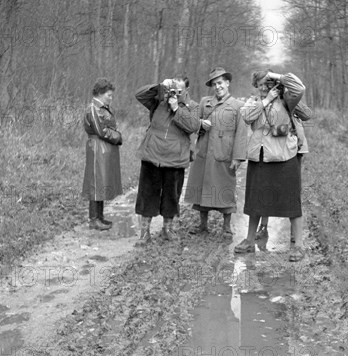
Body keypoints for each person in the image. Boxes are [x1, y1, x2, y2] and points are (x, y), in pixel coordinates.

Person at [234, 70, 307, 261]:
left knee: (291, 202)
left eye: (268, 84)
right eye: (260, 85)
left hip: (284, 157)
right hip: (260, 158)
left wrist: (277, 76)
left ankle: (298, 246)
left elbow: (300, 88)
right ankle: (249, 240)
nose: (264, 88)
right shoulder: (253, 103)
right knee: (255, 202)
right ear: (256, 87)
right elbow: (247, 117)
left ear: (274, 84)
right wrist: (266, 101)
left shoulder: (286, 100)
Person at [134, 76, 199, 244]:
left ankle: (167, 229)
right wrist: (160, 86)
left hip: (175, 159)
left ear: (186, 91)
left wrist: (177, 108)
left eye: (179, 90)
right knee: (147, 194)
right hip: (152, 155)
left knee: (171, 196)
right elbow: (140, 95)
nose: (175, 93)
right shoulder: (158, 101)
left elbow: (193, 126)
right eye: (173, 89)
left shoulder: (192, 106)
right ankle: (144, 232)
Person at [184, 66, 247, 236]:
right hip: (204, 151)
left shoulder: (238, 105)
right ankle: (202, 225)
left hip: (224, 153)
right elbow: (192, 121)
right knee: (203, 187)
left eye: (220, 83)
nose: (217, 87)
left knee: (225, 187)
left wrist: (238, 157)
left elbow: (241, 134)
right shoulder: (205, 102)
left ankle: (226, 226)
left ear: (227, 83)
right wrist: (200, 123)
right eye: (214, 84)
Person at [255, 100, 313, 243]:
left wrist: (291, 100)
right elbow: (266, 127)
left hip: (294, 148)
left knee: (292, 190)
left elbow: (307, 114)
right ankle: (263, 227)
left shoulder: (291, 98)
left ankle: (294, 232)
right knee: (266, 187)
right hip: (273, 148)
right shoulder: (267, 100)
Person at [81, 78, 123, 230]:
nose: (111, 98)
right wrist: (118, 136)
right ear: (99, 93)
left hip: (103, 148)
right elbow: (101, 131)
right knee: (96, 182)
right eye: (108, 95)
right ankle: (93, 219)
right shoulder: (94, 108)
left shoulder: (101, 108)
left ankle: (100, 216)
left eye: (111, 95)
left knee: (102, 182)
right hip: (97, 148)